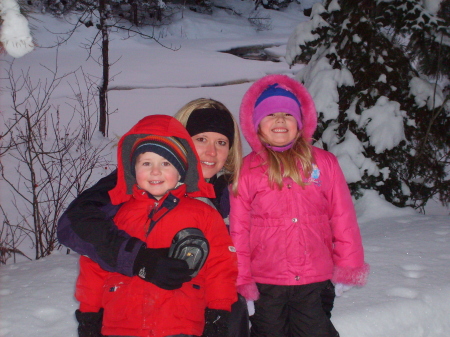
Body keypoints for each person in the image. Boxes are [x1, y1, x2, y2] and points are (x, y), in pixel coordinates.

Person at [57, 98, 249, 337]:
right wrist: (139, 259)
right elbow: (72, 226)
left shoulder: (227, 191)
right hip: (130, 312)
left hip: (192, 313)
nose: (212, 151)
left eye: (221, 142)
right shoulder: (135, 183)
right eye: (201, 139)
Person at [229, 74, 370, 337]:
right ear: (256, 125)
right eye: (270, 115)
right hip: (266, 283)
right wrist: (243, 281)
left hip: (314, 281)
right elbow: (238, 231)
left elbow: (342, 218)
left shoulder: (324, 163)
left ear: (301, 122)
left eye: (287, 114)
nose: (280, 120)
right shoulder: (247, 170)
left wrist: (348, 266)